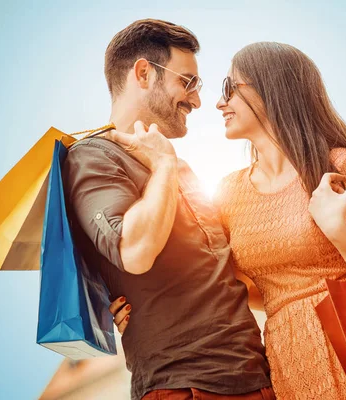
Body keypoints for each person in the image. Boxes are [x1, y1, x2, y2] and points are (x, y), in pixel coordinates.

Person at [116, 42, 346, 399]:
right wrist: (140, 307)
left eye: (229, 88)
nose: (219, 103)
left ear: (272, 90)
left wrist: (336, 230)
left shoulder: (339, 166)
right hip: (287, 362)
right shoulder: (228, 193)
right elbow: (236, 288)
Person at [63, 19, 273, 400]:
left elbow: (225, 275)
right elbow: (136, 251)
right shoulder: (92, 158)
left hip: (253, 380)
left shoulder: (181, 169)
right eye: (187, 82)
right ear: (143, 73)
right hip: (183, 387)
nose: (196, 100)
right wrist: (163, 166)